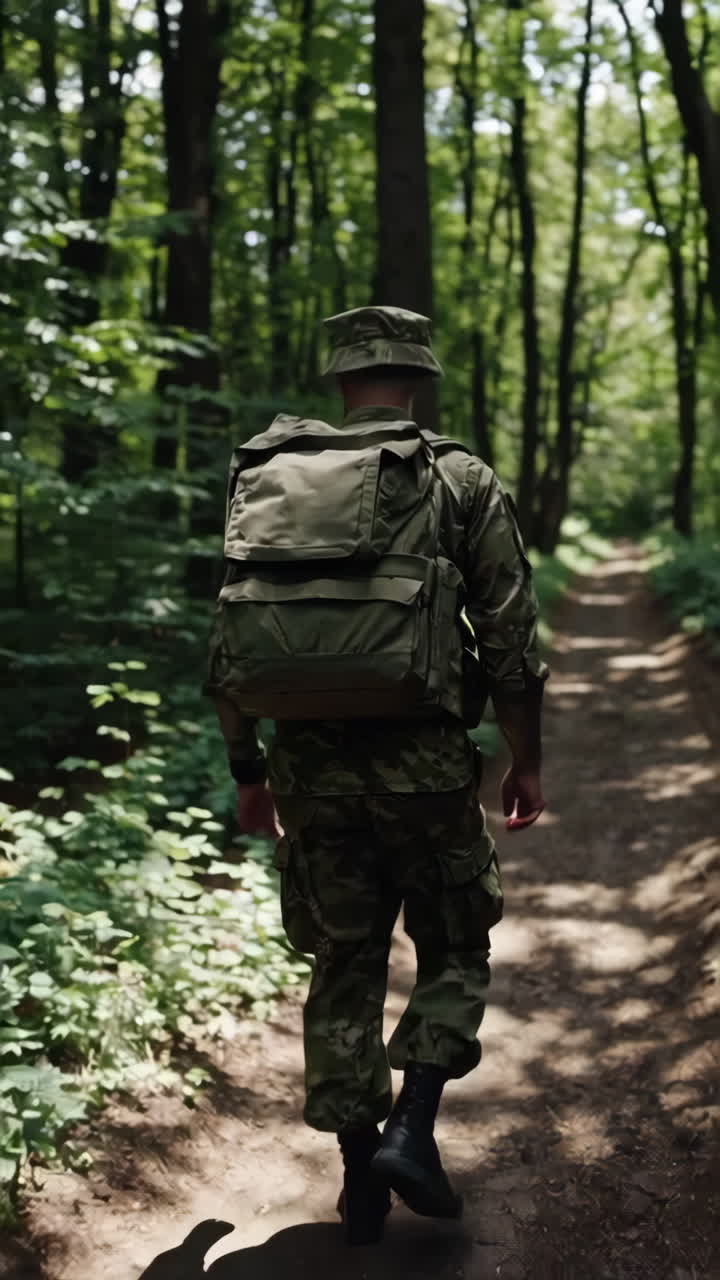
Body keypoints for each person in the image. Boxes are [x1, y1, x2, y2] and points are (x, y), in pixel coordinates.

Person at [208, 306, 548, 1246]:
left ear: (339, 381)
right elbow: (513, 638)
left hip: (309, 768)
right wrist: (526, 758)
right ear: (419, 376)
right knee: (454, 943)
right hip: (428, 768)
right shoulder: (457, 477)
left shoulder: (267, 475)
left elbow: (230, 641)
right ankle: (411, 1129)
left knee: (344, 959)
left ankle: (360, 1179)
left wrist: (250, 773)